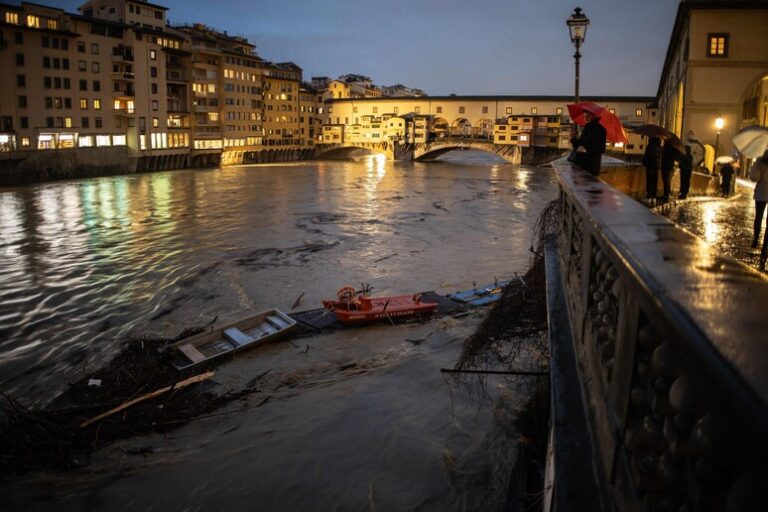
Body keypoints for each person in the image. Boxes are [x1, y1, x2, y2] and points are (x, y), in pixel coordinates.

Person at [570, 111, 607, 176]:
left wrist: (585, 150)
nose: (586, 119)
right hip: (580, 165)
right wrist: (573, 138)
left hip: (590, 167)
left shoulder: (601, 130)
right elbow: (578, 147)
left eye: (588, 116)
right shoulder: (586, 128)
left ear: (594, 116)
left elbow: (601, 149)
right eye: (584, 117)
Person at [749, 148, 768, 270]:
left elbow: (754, 177)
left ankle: (755, 239)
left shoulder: (760, 161)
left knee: (759, 217)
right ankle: (765, 246)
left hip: (761, 191)